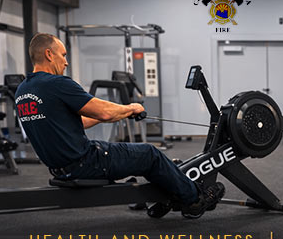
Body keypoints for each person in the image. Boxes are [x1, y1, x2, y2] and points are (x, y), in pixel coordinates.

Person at [13, 33, 222, 217]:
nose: (66, 62)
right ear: (49, 54)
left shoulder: (22, 91)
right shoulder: (57, 84)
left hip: (59, 168)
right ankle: (195, 199)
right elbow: (103, 111)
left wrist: (120, 115)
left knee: (141, 157)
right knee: (150, 154)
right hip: (87, 162)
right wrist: (131, 108)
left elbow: (81, 121)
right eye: (63, 55)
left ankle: (169, 196)